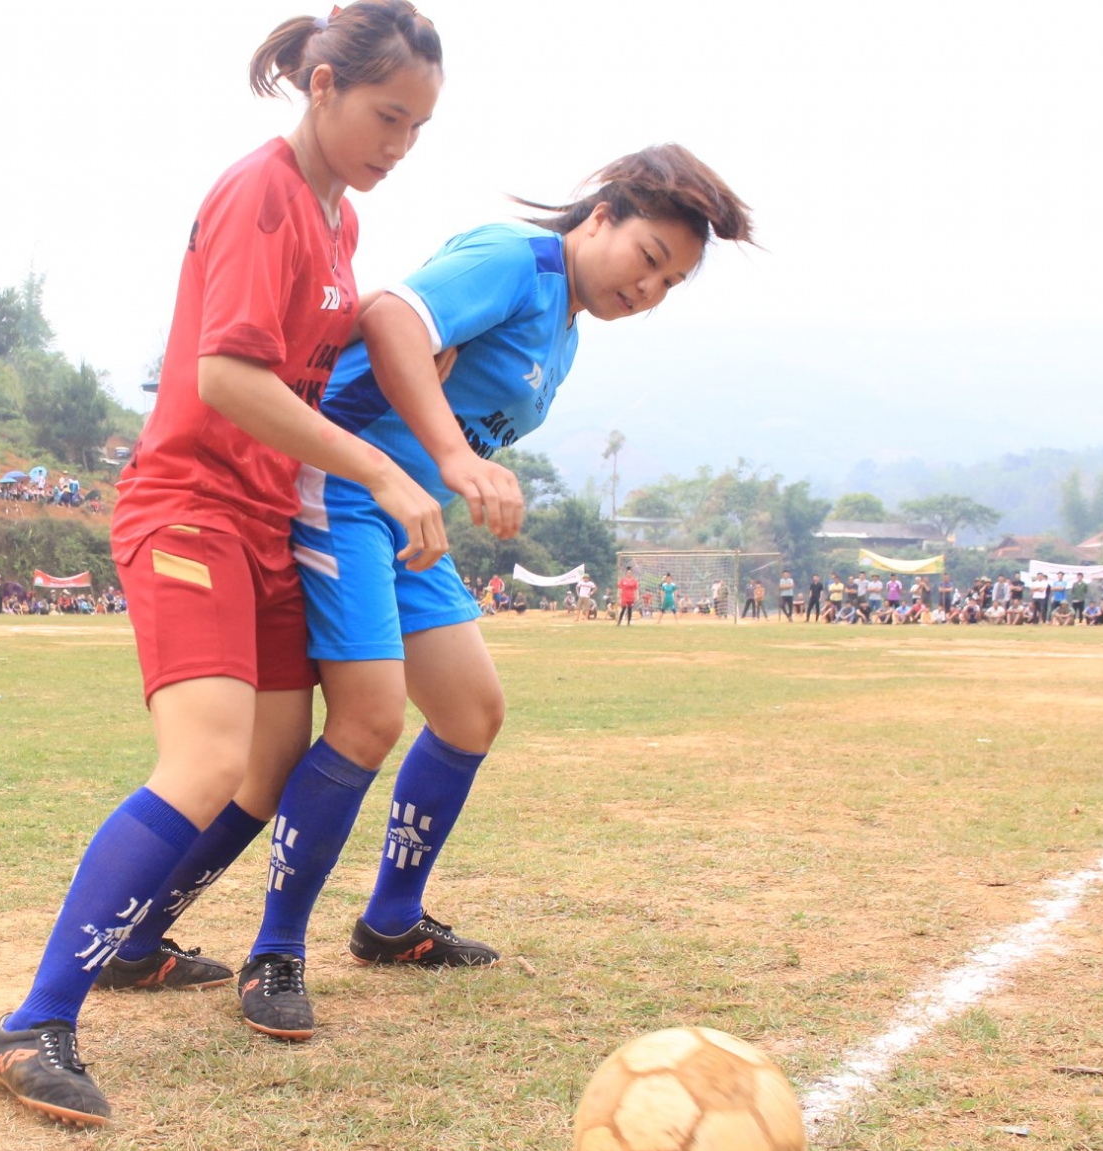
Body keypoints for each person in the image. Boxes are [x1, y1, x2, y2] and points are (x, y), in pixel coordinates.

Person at [0, 0, 446, 1129]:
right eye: (387, 114)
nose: (399, 143)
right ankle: (36, 1019)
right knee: (204, 759)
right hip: (190, 508)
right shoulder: (261, 195)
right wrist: (385, 475)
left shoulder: (336, 220)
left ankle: (142, 940)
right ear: (322, 84)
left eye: (419, 128)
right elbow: (230, 376)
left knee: (273, 759)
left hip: (265, 520)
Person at [167, 145, 750, 1040]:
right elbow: (390, 314)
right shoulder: (515, 262)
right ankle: (276, 949)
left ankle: (391, 920)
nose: (650, 290)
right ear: (601, 217)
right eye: (648, 260)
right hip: (345, 494)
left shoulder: (565, 325)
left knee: (472, 711)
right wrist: (448, 455)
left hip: (409, 524)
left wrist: (445, 470)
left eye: (671, 282)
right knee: (366, 720)